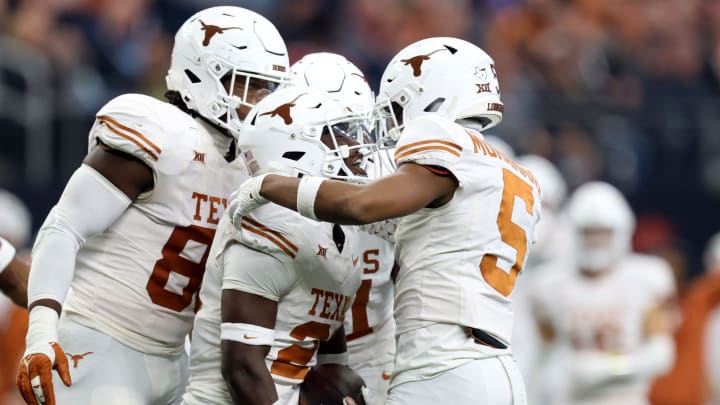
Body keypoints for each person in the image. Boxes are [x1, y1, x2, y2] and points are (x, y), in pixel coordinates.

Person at [228, 36, 542, 404]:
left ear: (434, 96)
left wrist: (273, 184)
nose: (390, 127)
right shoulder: (514, 173)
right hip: (499, 367)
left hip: (439, 369)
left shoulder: (443, 138)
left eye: (396, 109)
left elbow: (362, 206)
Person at [15, 6, 289, 405]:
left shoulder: (247, 165)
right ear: (201, 74)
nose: (259, 102)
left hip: (176, 359)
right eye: (248, 85)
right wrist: (41, 331)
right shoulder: (161, 133)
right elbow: (64, 226)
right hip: (101, 343)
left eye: (268, 89)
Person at [181, 86, 372, 404]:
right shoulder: (269, 220)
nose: (353, 146)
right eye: (334, 134)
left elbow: (329, 357)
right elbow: (242, 369)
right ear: (295, 148)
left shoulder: (337, 229)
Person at [285, 51, 397, 402]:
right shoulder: (265, 183)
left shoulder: (392, 182)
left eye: (357, 128)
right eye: (339, 129)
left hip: (375, 363)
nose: (354, 143)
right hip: (285, 360)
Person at [533, 182, 676, 405]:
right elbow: (543, 351)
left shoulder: (645, 277)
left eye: (603, 233)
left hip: (624, 397)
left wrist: (609, 368)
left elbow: (662, 354)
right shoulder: (549, 283)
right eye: (588, 232)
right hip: (569, 397)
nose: (595, 240)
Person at [648, 231, 720, 405]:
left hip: (689, 399)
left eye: (674, 264)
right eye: (663, 264)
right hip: (648, 398)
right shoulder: (641, 305)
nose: (668, 271)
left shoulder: (696, 300)